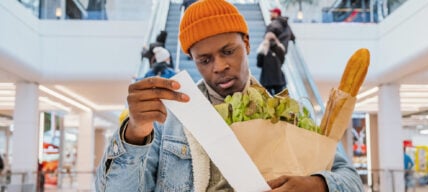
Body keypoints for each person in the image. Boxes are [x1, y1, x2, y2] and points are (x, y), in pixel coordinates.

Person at [95, 0, 363, 191]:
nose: (219, 66)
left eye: (228, 51)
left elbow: (351, 179)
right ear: (192, 60)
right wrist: (135, 132)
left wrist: (317, 185)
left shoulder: (286, 109)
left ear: (246, 43)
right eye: (204, 59)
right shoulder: (168, 118)